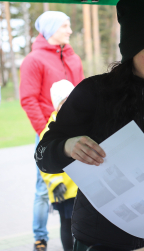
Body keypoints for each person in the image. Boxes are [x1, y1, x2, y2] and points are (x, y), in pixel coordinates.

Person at [35, 0, 144, 251]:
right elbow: (43, 155)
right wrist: (67, 146)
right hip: (99, 239)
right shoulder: (94, 92)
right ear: (131, 51)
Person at [20, 11, 84, 251]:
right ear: (51, 29)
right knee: (44, 189)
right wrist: (47, 134)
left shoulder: (73, 58)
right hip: (49, 131)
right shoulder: (33, 60)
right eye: (64, 26)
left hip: (75, 129)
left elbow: (83, 93)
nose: (69, 30)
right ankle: (40, 237)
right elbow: (28, 99)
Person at [40, 80, 78, 251]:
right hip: (64, 190)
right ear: (57, 106)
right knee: (67, 223)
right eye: (65, 103)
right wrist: (56, 185)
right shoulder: (50, 130)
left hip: (81, 187)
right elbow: (44, 161)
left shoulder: (81, 122)